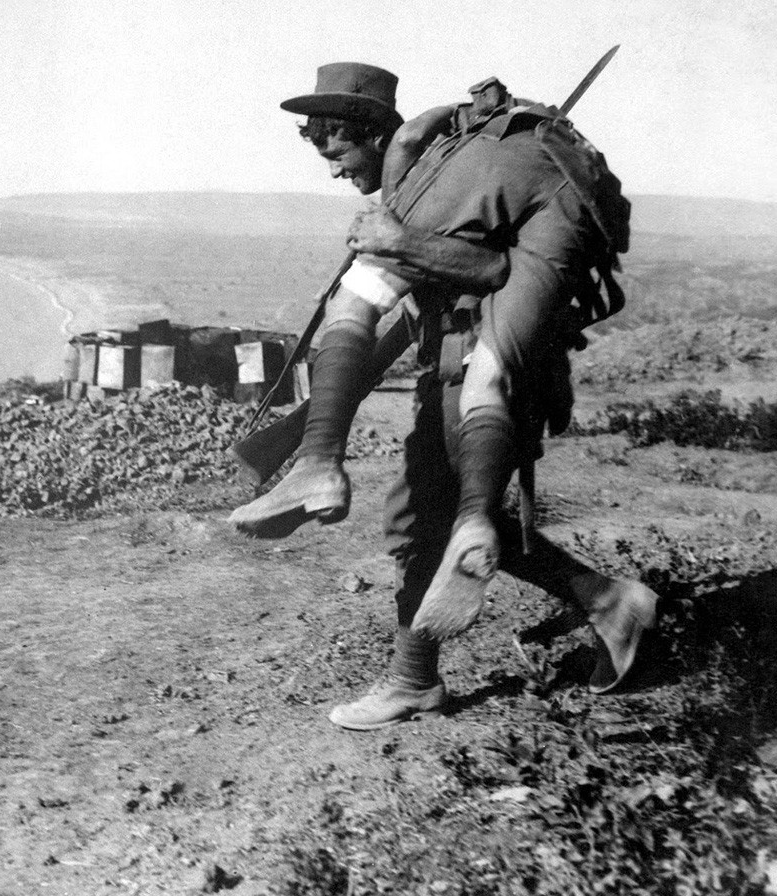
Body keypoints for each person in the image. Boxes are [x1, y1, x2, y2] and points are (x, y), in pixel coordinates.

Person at [229, 62, 657, 730]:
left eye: (337, 153)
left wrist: (400, 244)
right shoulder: (427, 183)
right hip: (452, 366)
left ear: (374, 135)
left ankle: (417, 678)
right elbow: (413, 312)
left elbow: (497, 271)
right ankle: (607, 602)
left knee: (426, 518)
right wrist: (317, 418)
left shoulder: (450, 180)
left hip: (493, 372)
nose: (334, 171)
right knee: (429, 517)